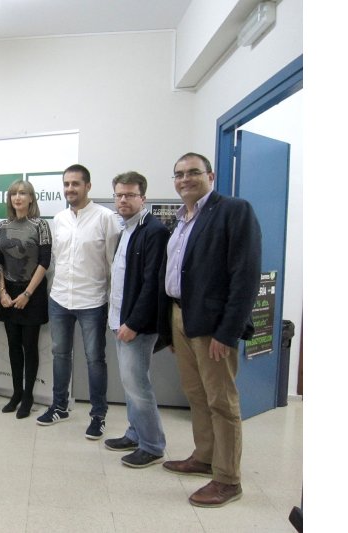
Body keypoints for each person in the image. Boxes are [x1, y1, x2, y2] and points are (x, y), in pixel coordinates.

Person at [159, 153, 261, 507]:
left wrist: (227, 331)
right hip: (180, 318)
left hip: (213, 326)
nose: (185, 179)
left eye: (193, 173)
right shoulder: (181, 219)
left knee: (222, 400)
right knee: (197, 395)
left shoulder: (233, 210)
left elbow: (245, 275)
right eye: (179, 174)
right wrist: (169, 328)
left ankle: (228, 479)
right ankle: (204, 457)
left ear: (211, 175)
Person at [37, 164, 120, 440]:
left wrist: (111, 305)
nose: (70, 189)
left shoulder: (106, 218)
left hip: (92, 301)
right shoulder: (59, 218)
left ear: (88, 186)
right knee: (60, 354)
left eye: (75, 183)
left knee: (95, 359)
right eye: (66, 184)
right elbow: (57, 259)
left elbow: (112, 265)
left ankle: (98, 415)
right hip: (60, 298)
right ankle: (60, 406)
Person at [103, 172, 169, 468]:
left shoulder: (153, 230)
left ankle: (152, 445)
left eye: (130, 195)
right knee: (129, 383)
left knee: (137, 384)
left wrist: (133, 323)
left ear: (143, 198)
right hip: (120, 319)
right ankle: (135, 432)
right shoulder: (126, 228)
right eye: (119, 194)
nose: (123, 200)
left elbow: (151, 284)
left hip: (136, 324)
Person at [0, 180, 51, 419]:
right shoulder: (2, 225)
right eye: (13, 194)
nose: (17, 197)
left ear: (31, 198)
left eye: (23, 193)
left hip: (33, 293)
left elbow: (44, 262)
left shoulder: (40, 225)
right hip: (8, 293)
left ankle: (28, 396)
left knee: (30, 346)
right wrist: (2, 293)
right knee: (13, 346)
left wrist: (27, 294)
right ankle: (16, 393)